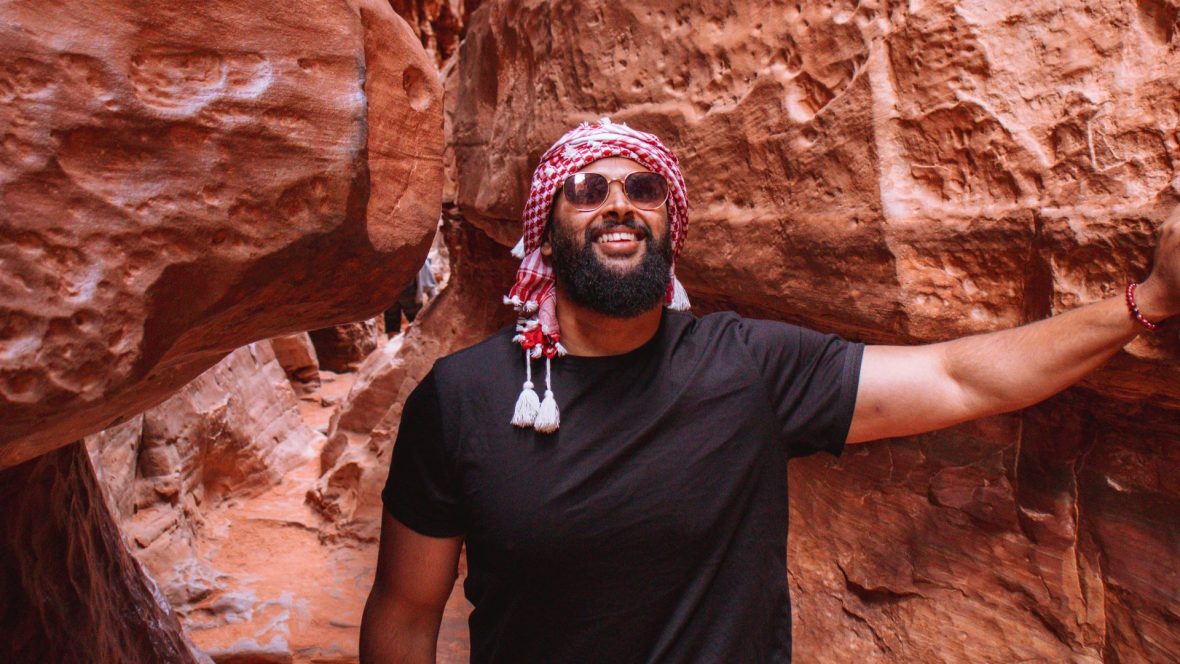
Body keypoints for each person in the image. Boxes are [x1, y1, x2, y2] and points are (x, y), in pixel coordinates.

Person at [359, 119, 1179, 663]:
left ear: (668, 227)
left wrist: (1150, 300)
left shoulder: (746, 365)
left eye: (642, 190)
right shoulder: (461, 398)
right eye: (587, 189)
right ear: (546, 231)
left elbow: (957, 377)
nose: (618, 204)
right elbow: (404, 609)